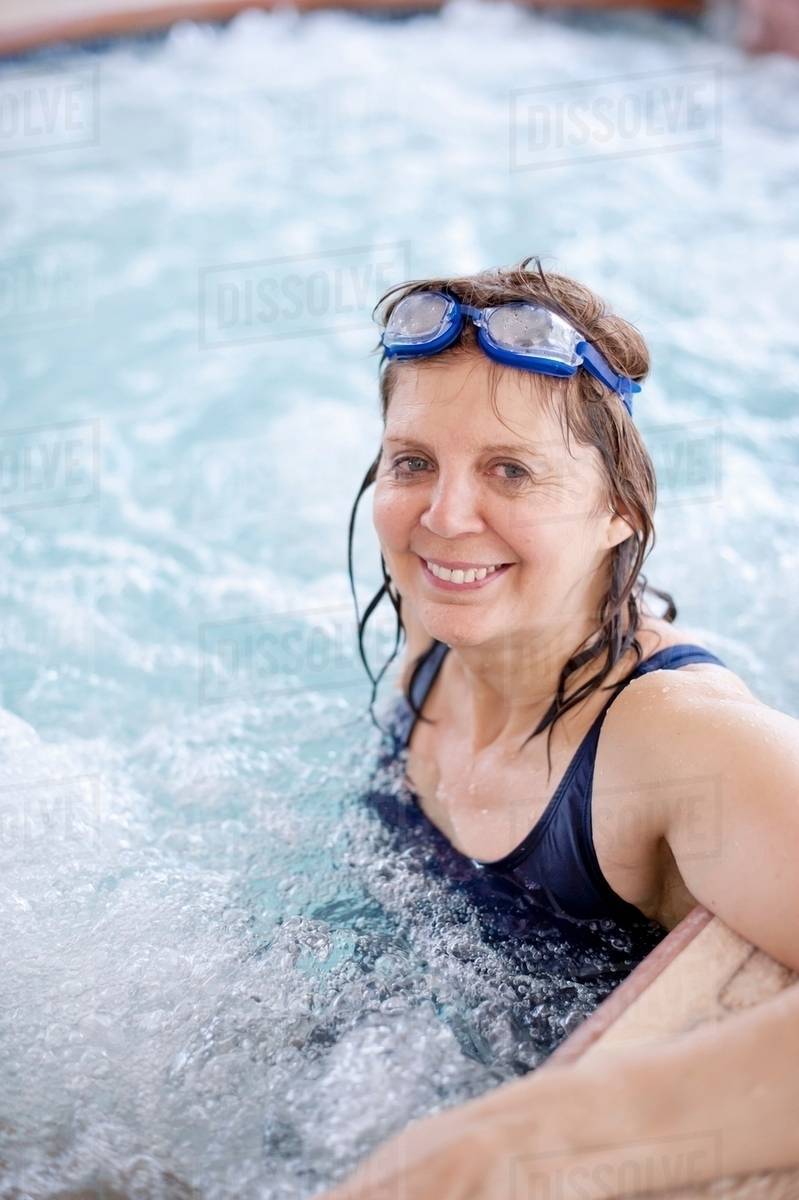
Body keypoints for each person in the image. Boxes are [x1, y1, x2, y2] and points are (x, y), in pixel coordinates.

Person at [323, 258, 799, 1198]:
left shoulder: (679, 743)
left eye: (512, 471)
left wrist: (511, 1142)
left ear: (619, 510)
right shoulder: (443, 623)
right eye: (412, 461)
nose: (444, 518)